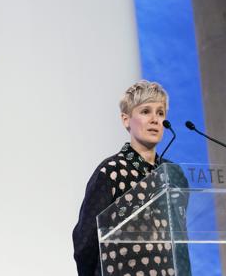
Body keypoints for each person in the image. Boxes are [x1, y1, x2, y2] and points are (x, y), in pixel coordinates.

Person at [72, 80, 190, 276]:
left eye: (160, 113)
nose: (155, 119)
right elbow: (85, 242)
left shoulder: (174, 175)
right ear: (126, 120)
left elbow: (181, 242)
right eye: (145, 111)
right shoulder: (111, 172)